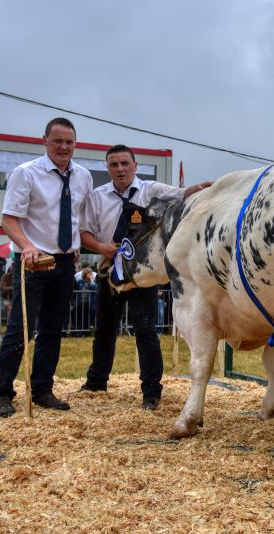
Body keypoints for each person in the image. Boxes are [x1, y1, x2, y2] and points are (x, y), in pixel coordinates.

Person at [79, 144, 211, 409]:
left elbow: (182, 194)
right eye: (114, 164)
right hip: (110, 271)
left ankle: (151, 390)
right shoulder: (96, 197)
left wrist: (203, 188)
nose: (120, 169)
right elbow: (84, 233)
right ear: (108, 168)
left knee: (146, 329)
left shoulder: (152, 191)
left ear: (135, 166)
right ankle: (97, 381)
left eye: (125, 163)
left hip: (143, 274)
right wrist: (103, 247)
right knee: (104, 328)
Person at [0, 117, 93, 418]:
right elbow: (9, 219)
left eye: (69, 142)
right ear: (44, 140)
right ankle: (2, 393)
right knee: (20, 330)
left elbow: (80, 218)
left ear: (75, 144)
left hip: (63, 264)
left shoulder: (83, 176)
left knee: (52, 330)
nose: (63, 147)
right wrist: (29, 246)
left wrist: (76, 249)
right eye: (57, 141)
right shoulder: (26, 174)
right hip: (33, 262)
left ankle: (43, 388)